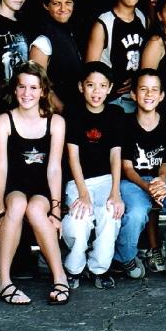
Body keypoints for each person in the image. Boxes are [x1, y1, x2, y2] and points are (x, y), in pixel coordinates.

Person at [0, 62, 68, 305]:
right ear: (15, 89)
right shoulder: (5, 121)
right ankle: (3, 280)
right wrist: (0, 210)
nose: (27, 93)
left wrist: (56, 212)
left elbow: (54, 168)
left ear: (43, 91)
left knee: (35, 210)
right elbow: (1, 168)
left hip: (41, 187)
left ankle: (60, 277)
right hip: (14, 185)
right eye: (22, 87)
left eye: (33, 87)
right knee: (16, 205)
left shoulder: (55, 122)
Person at [113, 69, 166, 279]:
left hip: (162, 179)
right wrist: (147, 187)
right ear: (133, 95)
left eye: (154, 90)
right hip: (133, 182)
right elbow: (127, 168)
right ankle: (126, 257)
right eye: (143, 89)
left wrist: (161, 180)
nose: (149, 94)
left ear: (161, 96)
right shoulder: (125, 123)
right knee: (136, 214)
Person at [61, 62, 125, 290]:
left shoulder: (115, 114)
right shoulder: (73, 113)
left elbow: (115, 155)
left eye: (102, 86)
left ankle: (100, 268)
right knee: (79, 218)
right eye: (90, 85)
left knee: (110, 213)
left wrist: (115, 192)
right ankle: (74, 268)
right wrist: (83, 193)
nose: (96, 91)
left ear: (110, 88)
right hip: (78, 181)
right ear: (81, 87)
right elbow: (73, 157)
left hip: (107, 179)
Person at [86, 0, 147, 113]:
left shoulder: (141, 17)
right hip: (112, 101)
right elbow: (89, 70)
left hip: (137, 97)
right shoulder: (103, 23)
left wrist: (136, 79)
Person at [29, 0, 83, 112]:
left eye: (68, 3)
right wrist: (61, 108)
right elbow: (38, 83)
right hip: (56, 110)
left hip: (74, 105)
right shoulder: (43, 40)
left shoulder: (70, 31)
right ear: (46, 5)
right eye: (56, 3)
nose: (63, 8)